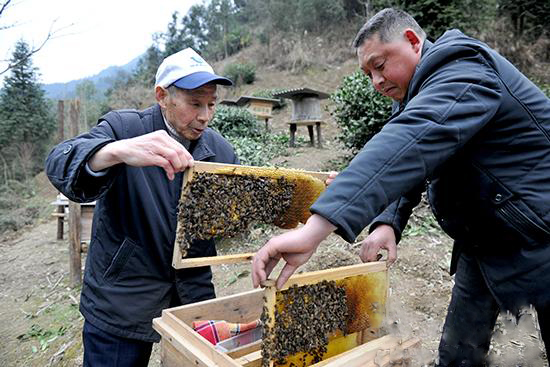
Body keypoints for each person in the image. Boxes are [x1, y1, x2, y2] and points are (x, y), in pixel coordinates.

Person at [251, 8, 550, 366]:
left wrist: (315, 228)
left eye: (380, 65)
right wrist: (385, 222)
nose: (376, 81)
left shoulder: (465, 69)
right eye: (368, 74)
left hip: (539, 235)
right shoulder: (417, 94)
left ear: (412, 40)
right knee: (457, 354)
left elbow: (409, 141)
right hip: (484, 242)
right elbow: (410, 157)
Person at [46, 48, 238, 367]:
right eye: (195, 103)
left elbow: (232, 218)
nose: (205, 115)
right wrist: (115, 151)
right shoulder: (124, 128)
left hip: (192, 297)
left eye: (211, 104)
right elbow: (61, 161)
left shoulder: (219, 150)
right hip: (121, 299)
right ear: (162, 96)